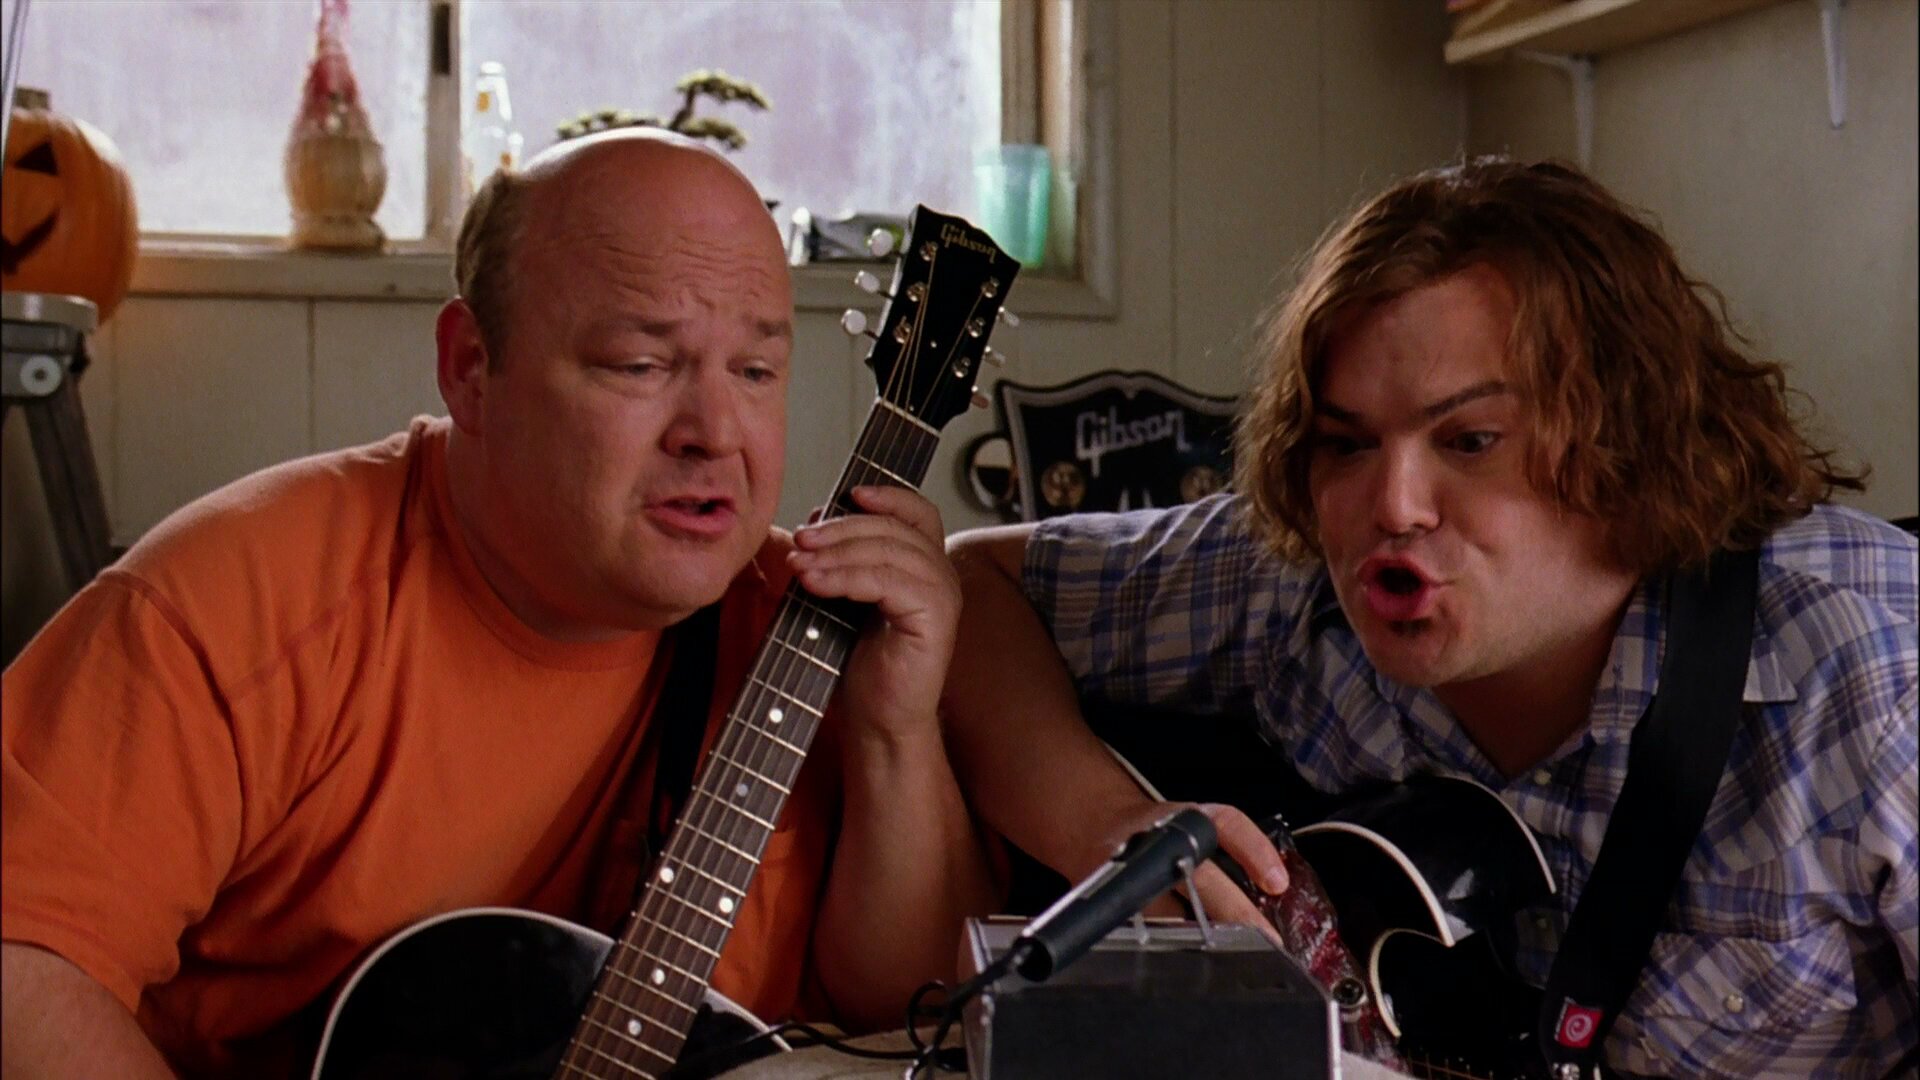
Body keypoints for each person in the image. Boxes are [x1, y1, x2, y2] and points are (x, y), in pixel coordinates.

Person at [0, 130, 996, 1078]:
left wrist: (894, 735)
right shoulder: (243, 604)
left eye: (755, 371)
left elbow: (910, 1010)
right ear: (472, 370)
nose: (715, 432)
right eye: (641, 365)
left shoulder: (808, 632)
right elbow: (20, 965)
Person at [942, 158, 1917, 1078]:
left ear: (1633, 437)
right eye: (1347, 443)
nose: (1394, 504)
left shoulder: (1880, 678)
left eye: (1472, 439)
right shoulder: (1297, 581)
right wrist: (1105, 826)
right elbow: (972, 582)